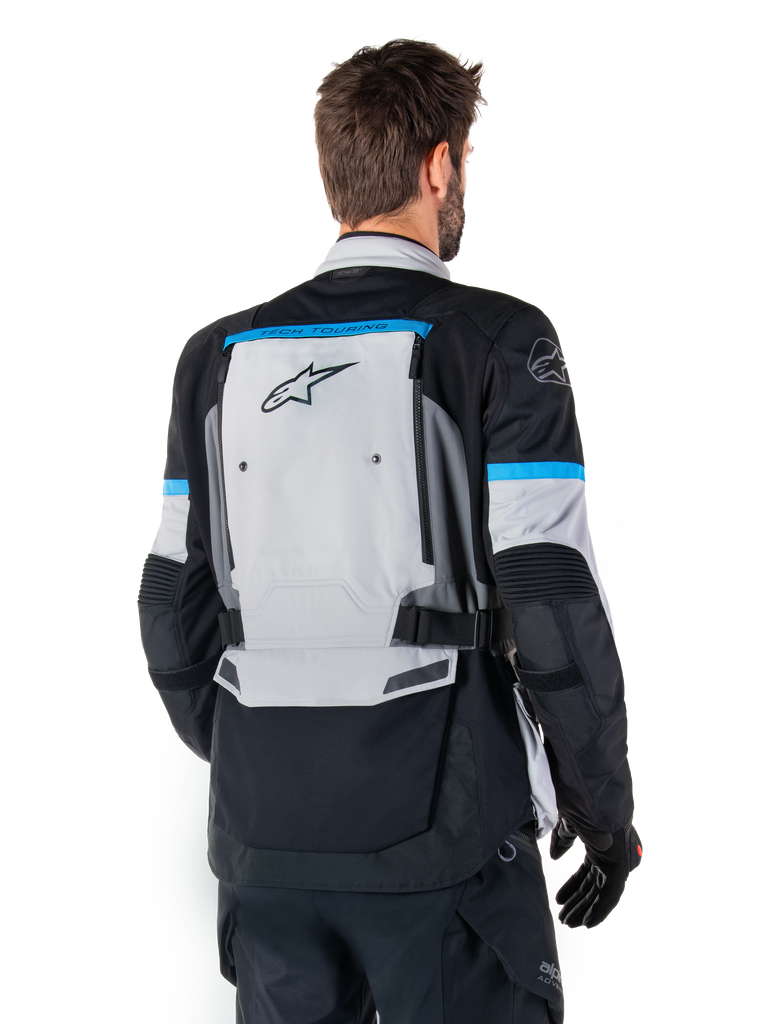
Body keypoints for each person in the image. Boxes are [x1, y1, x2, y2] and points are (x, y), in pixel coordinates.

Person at [136, 32, 645, 1024]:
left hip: (263, 848)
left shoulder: (213, 358)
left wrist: (257, 745)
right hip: (446, 851)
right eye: (468, 161)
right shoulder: (502, 340)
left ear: (326, 169)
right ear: (441, 165)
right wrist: (603, 814)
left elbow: (167, 606)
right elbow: (550, 593)